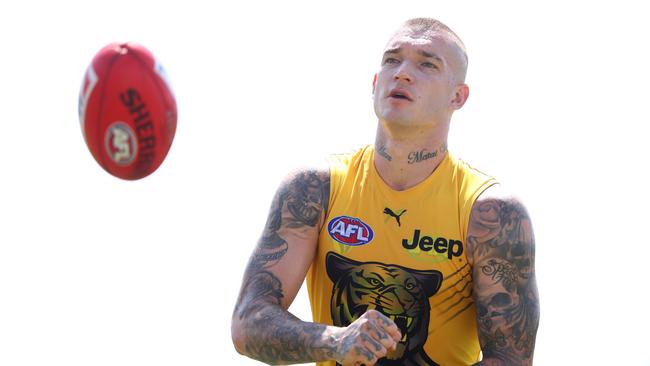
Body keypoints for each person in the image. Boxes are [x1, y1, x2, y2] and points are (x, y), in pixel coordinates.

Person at [231, 17, 539, 366]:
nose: (403, 72)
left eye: (427, 64)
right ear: (375, 82)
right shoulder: (314, 190)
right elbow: (248, 322)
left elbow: (512, 359)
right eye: (392, 60)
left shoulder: (491, 214)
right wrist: (334, 340)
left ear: (458, 96)